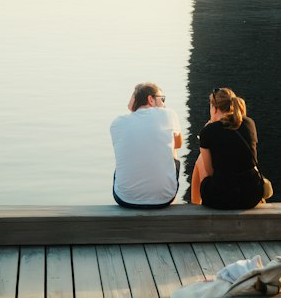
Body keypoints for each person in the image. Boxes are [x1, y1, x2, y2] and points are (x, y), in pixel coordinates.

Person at [190, 86, 268, 209]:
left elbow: (210, 172)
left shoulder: (208, 131)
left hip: (221, 198)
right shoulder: (249, 123)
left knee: (200, 160)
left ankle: (194, 206)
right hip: (251, 196)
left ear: (214, 109)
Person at [110, 81, 183, 209]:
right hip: (164, 199)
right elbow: (178, 144)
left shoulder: (117, 123)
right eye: (162, 99)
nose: (164, 104)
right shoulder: (169, 115)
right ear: (151, 99)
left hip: (125, 199)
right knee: (172, 149)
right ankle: (169, 197)